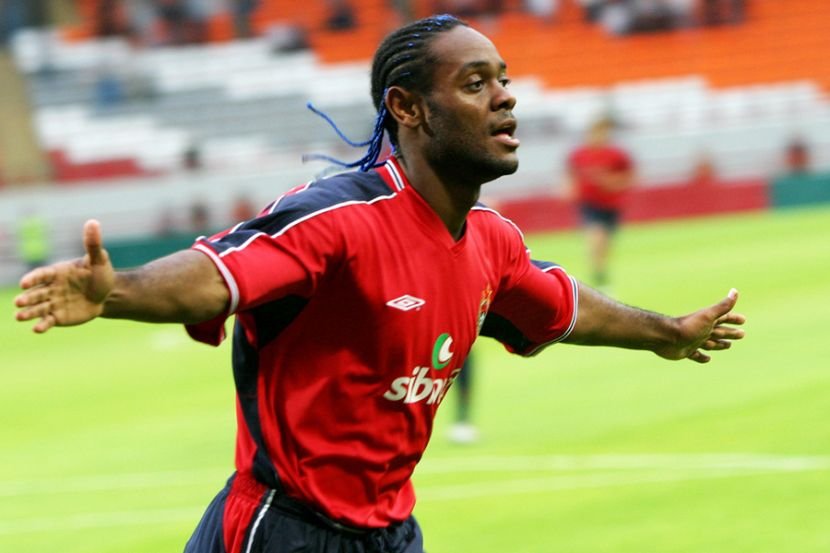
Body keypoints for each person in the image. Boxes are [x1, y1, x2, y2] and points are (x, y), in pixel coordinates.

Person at [14, 14, 746, 553]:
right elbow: (217, 276)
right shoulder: (340, 219)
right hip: (283, 530)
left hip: (392, 532)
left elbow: (563, 308)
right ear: (407, 107)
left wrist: (667, 333)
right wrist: (115, 291)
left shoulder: (492, 242)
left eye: (503, 80)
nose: (505, 98)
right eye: (475, 83)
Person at [564, 115, 635, 292]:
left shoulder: (616, 154)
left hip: (611, 203)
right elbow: (570, 174)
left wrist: (613, 183)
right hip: (589, 202)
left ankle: (601, 269)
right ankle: (598, 272)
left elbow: (630, 176)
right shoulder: (579, 155)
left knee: (606, 241)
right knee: (596, 235)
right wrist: (569, 188)